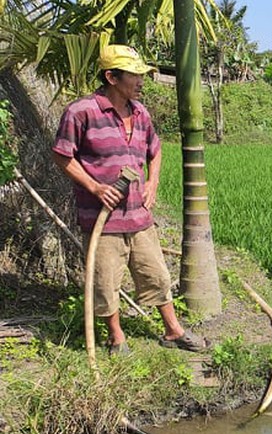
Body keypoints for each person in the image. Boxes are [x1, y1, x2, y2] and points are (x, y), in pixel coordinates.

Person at [52, 44, 205, 354]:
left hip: (139, 216)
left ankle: (173, 330)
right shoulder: (81, 112)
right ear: (111, 77)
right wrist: (95, 188)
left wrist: (153, 181)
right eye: (134, 76)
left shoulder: (140, 112)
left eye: (141, 75)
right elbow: (62, 156)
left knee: (157, 275)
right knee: (106, 282)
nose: (140, 81)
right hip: (101, 219)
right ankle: (116, 336)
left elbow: (156, 149)